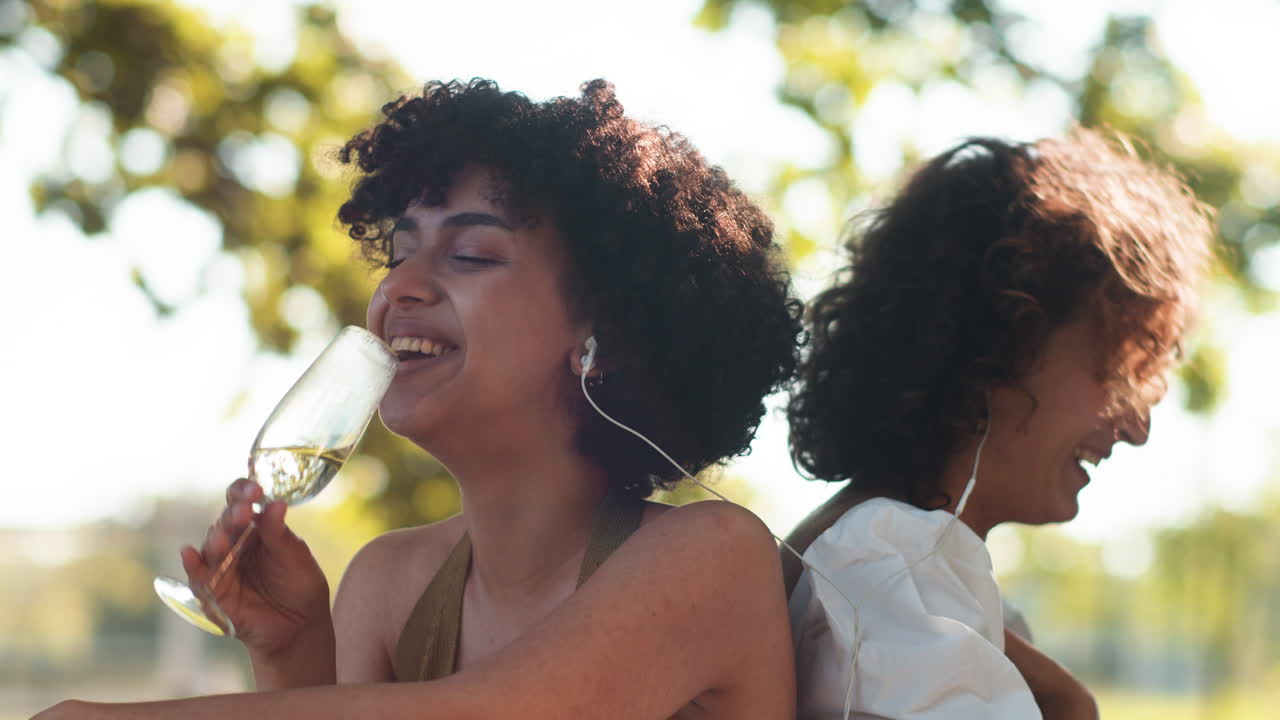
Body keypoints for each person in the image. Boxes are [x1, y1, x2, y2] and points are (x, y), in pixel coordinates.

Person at [36, 78, 803, 719]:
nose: (398, 286)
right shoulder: (388, 582)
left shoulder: (714, 555)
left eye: (469, 254)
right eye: (398, 254)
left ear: (604, 331)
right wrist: (291, 651)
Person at [782, 129, 1213, 719]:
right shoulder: (886, 572)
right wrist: (1073, 705)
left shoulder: (904, 569)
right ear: (1003, 343)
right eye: (1114, 372)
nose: (1137, 428)